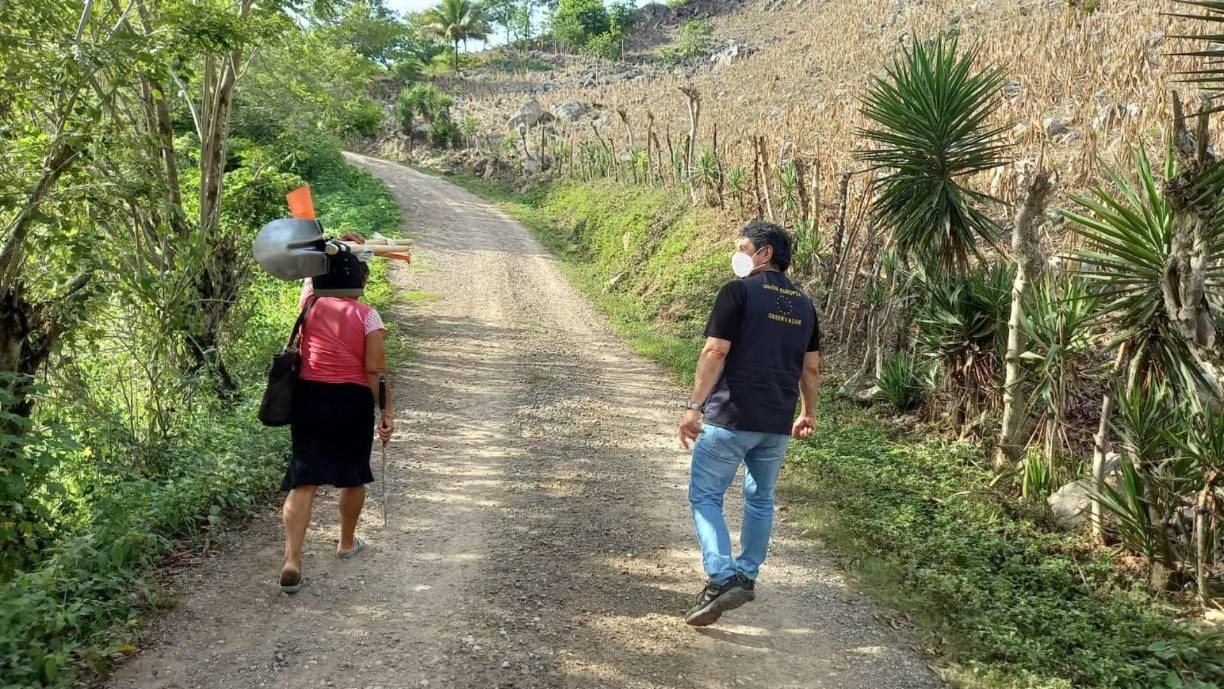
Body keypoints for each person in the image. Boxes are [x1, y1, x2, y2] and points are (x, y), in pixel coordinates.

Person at [677, 220, 822, 626]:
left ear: (764, 252)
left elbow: (715, 352)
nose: (738, 254)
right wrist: (808, 413)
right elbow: (811, 369)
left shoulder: (737, 292)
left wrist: (693, 407)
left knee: (706, 496)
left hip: (730, 417)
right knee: (760, 499)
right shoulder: (805, 304)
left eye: (743, 247)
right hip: (775, 423)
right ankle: (747, 574)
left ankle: (722, 577)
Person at [279, 248, 394, 594]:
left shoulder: (310, 305)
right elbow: (375, 370)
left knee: (304, 479)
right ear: (360, 282)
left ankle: (292, 559)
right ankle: (346, 542)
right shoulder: (368, 316)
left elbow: (309, 280)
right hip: (351, 400)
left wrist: (334, 247)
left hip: (309, 397)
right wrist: (386, 412)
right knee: (352, 474)